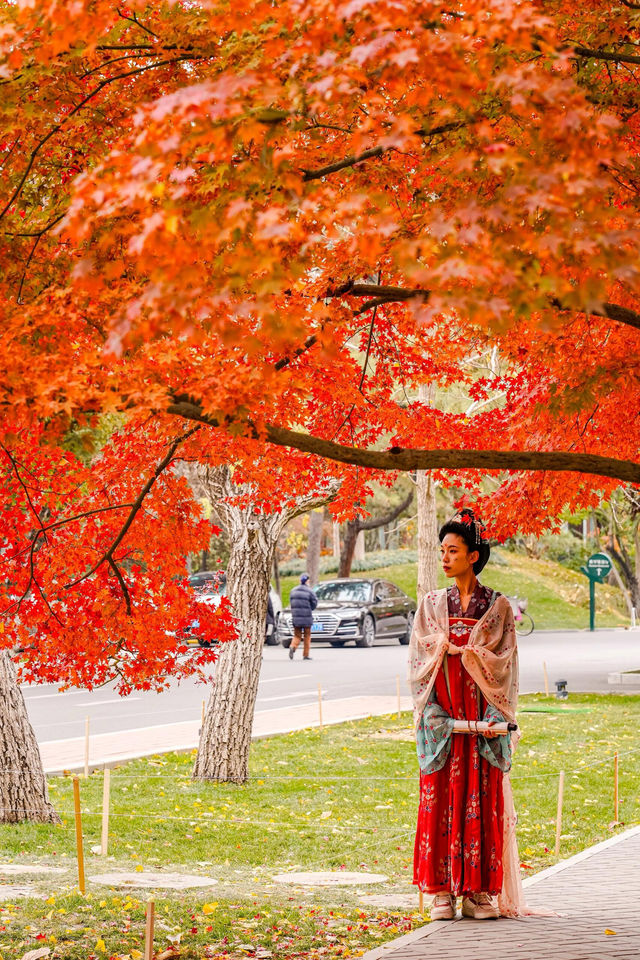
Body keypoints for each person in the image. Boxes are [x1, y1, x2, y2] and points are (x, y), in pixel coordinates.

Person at [408, 507, 526, 921]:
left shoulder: (497, 606)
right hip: (444, 716)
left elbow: (505, 662)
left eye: (453, 550)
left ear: (473, 555)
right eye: (442, 550)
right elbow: (419, 661)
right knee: (440, 797)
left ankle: (478, 892)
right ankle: (442, 891)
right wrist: (446, 651)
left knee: (482, 795)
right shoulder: (430, 605)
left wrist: (493, 713)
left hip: (482, 718)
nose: (444, 557)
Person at [288, 573, 317, 660]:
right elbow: (314, 603)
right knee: (307, 636)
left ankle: (293, 646)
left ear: (300, 580)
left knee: (297, 635)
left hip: (296, 617)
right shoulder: (310, 591)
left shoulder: (293, 591)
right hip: (307, 617)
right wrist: (310, 609)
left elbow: (291, 603)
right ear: (307, 581)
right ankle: (306, 654)